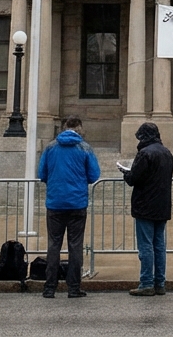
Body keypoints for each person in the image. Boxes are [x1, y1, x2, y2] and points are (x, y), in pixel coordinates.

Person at [37, 115, 100, 298]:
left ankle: (50, 287)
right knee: (75, 246)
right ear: (79, 127)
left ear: (64, 127)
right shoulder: (85, 148)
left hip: (55, 202)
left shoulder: (50, 147)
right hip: (77, 203)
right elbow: (94, 175)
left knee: (53, 245)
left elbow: (42, 173)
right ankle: (73, 287)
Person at [119, 121, 173, 296]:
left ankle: (146, 282)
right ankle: (160, 282)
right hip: (162, 204)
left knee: (146, 246)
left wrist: (126, 173)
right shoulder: (166, 153)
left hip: (145, 204)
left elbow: (134, 178)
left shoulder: (145, 153)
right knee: (159, 245)